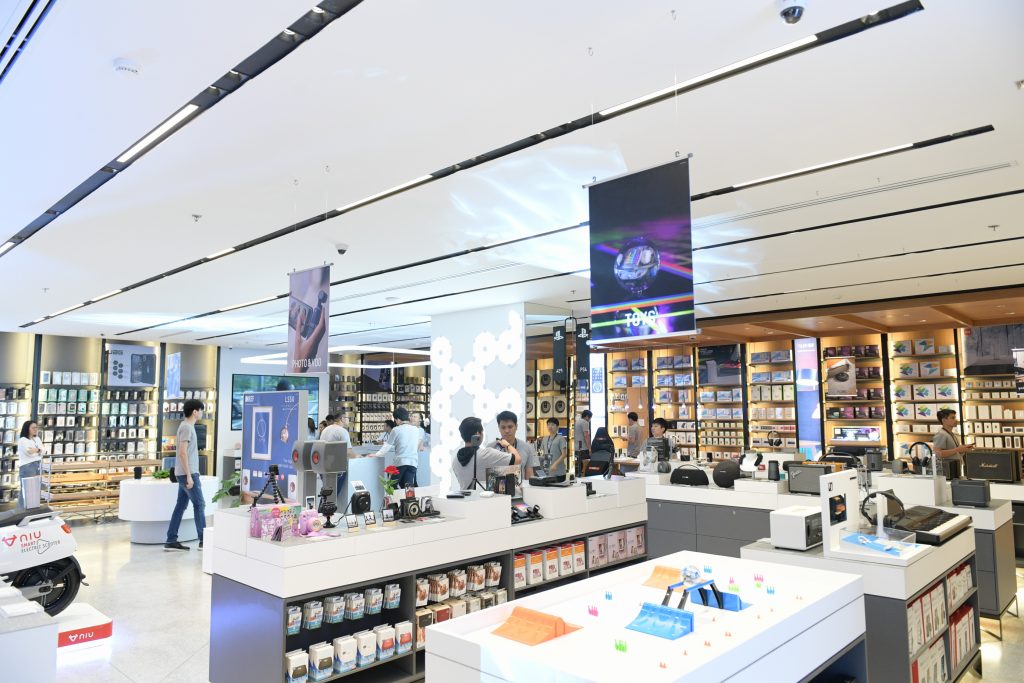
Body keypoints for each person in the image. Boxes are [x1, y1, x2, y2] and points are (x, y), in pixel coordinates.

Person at [165, 399, 207, 551]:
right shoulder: (187, 427)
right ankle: (204, 540)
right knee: (199, 504)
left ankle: (171, 540)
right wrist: (189, 475)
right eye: (201, 410)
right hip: (187, 473)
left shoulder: (187, 427)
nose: (202, 413)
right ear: (195, 412)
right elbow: (182, 453)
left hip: (184, 473)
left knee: (181, 506)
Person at [453, 417, 521, 490]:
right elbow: (517, 460)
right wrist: (507, 445)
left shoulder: (455, 460)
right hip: (483, 497)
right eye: (482, 432)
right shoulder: (486, 454)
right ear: (477, 434)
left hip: (465, 497)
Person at [494, 410, 539, 479]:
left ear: (516, 426)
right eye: (503, 427)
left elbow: (529, 474)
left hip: (521, 485)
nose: (507, 431)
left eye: (510, 427)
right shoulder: (491, 448)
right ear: (499, 428)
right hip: (497, 485)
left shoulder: (527, 447)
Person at [389, 408, 420, 488]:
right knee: (407, 487)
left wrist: (376, 454)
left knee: (391, 486)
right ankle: (407, 497)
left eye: (395, 420)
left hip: (401, 462)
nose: (395, 422)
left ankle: (397, 497)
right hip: (413, 463)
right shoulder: (416, 429)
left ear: (398, 419)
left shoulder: (396, 429)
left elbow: (387, 446)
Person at [16, 420, 43, 510]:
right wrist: (38, 450)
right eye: (33, 428)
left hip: (38, 465)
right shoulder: (22, 440)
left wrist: (37, 450)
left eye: (36, 427)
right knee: (25, 490)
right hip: (27, 466)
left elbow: (44, 451)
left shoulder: (37, 439)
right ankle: (20, 512)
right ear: (27, 428)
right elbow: (29, 453)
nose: (35, 429)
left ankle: (32, 510)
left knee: (36, 489)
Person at [574, 410, 592, 474]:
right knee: (585, 466)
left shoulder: (577, 422)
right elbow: (586, 436)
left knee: (579, 465)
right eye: (590, 418)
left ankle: (579, 476)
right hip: (583, 447)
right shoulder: (585, 422)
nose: (590, 420)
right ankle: (584, 476)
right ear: (587, 416)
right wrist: (590, 448)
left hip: (577, 447)